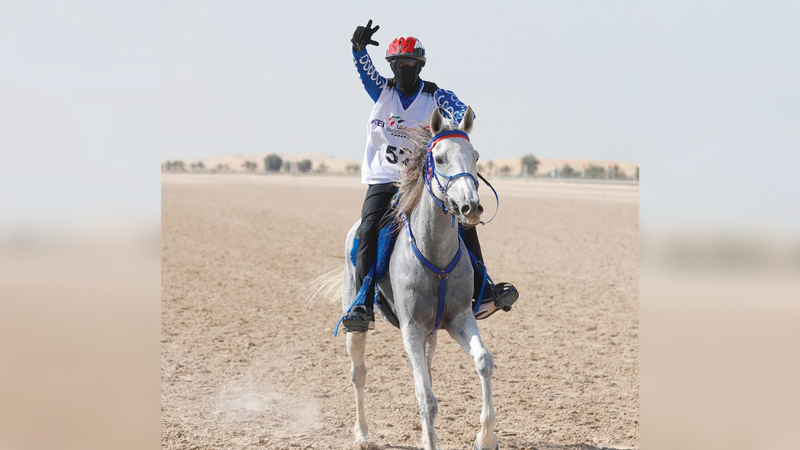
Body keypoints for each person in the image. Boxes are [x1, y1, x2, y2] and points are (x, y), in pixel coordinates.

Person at [343, 20, 518, 332]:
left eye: (409, 63)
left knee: (463, 220)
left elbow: (464, 113)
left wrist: (457, 121)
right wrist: (358, 49)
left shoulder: (436, 95)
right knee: (368, 228)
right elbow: (364, 71)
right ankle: (362, 304)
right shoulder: (382, 91)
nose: (403, 69)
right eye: (397, 64)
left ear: (420, 65)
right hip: (384, 179)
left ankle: (483, 292)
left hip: (420, 181)